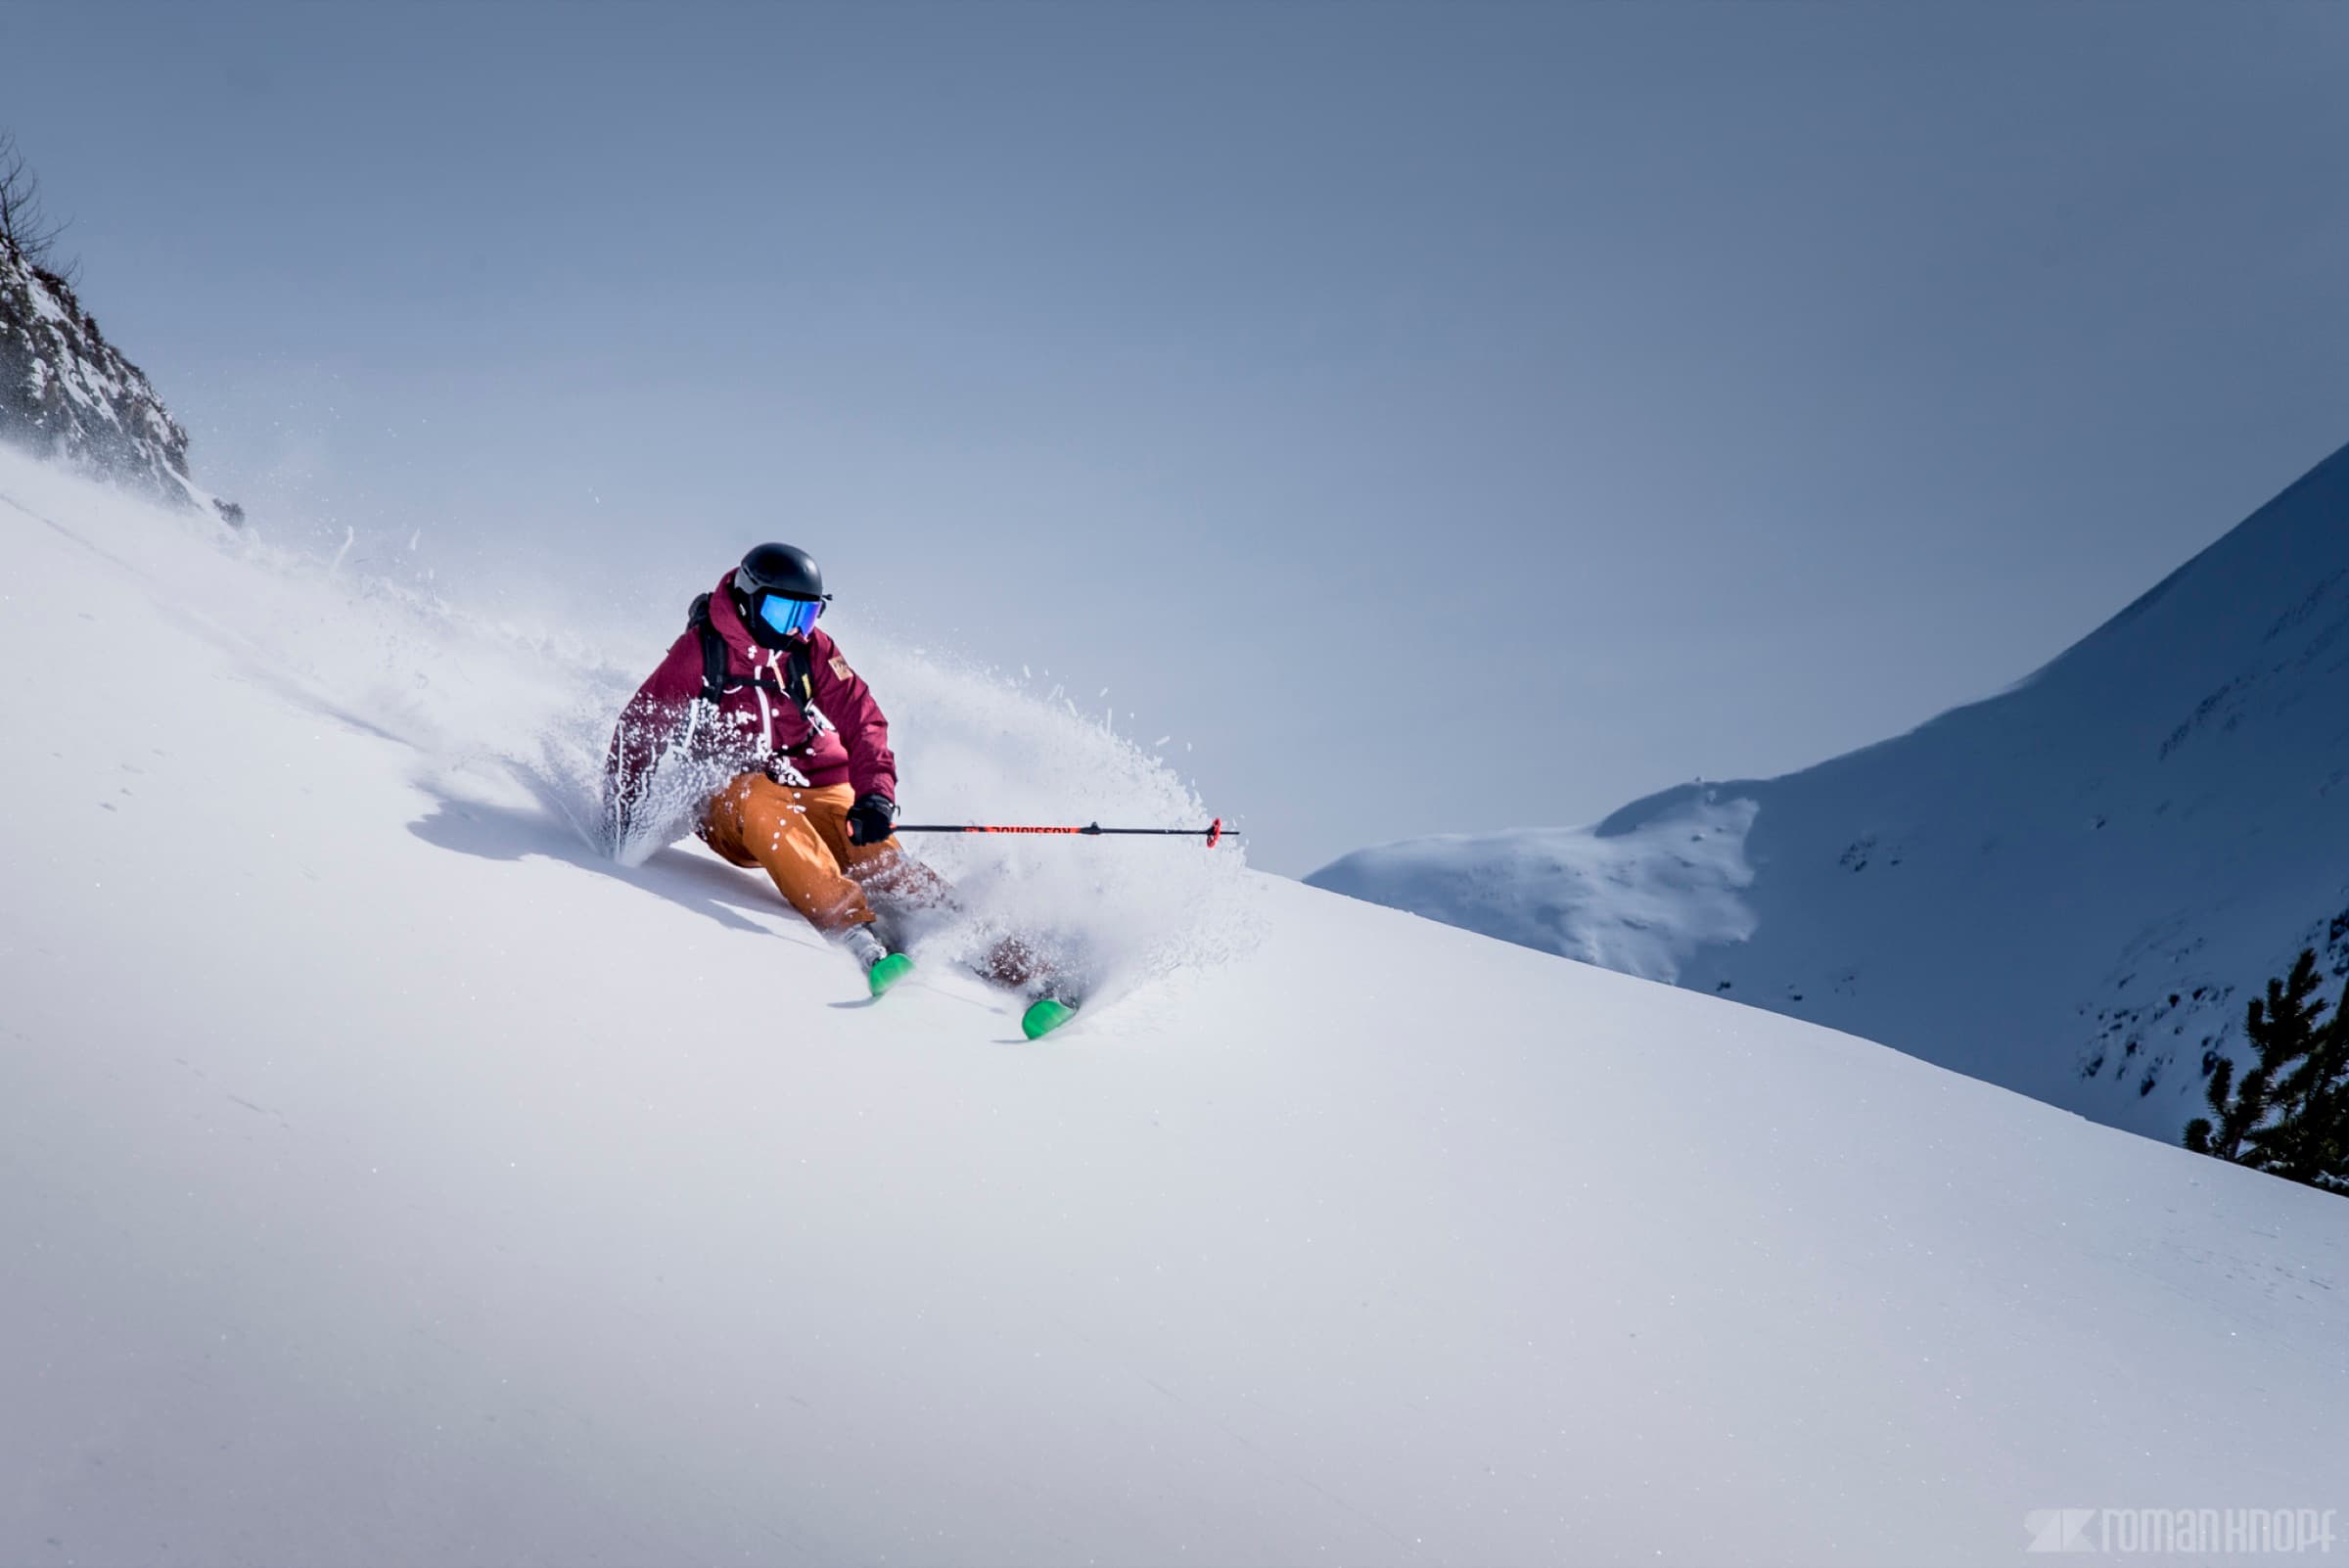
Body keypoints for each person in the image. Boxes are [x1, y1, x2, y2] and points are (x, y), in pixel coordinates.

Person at [604, 542, 1037, 997]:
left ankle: (1012, 959)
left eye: (806, 616)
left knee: (879, 857)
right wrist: (619, 817)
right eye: (781, 613)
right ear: (750, 601)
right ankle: (852, 927)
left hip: (813, 779)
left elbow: (862, 718)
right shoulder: (701, 650)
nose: (794, 629)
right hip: (733, 802)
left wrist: (875, 795)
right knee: (759, 800)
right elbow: (640, 728)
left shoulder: (811, 651)